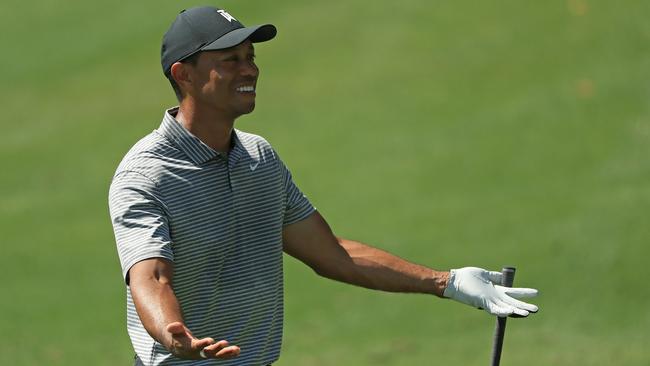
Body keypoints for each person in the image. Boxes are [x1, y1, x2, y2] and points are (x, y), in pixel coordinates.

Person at [108, 6, 539, 366]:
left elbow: (334, 254)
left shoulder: (259, 159)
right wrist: (172, 335)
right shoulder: (145, 176)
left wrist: (446, 282)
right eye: (231, 60)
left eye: (251, 56)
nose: (251, 70)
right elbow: (152, 276)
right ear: (184, 75)